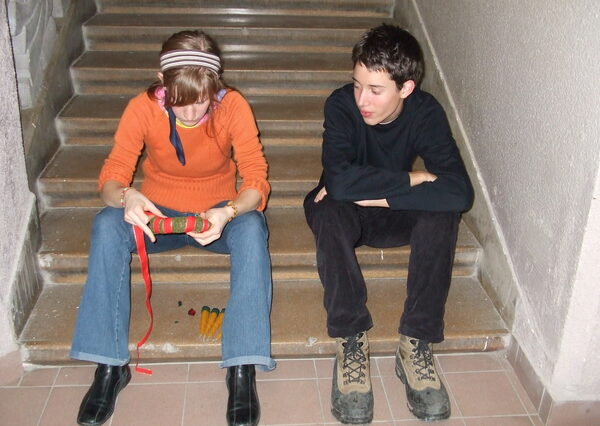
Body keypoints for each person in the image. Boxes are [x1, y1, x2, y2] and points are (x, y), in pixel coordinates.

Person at [70, 30, 273, 426]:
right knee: (106, 225)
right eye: (181, 101)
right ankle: (110, 366)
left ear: (214, 87)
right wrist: (127, 196)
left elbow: (255, 179)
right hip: (157, 215)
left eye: (201, 101)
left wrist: (228, 212)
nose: (191, 113)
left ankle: (242, 366)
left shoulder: (232, 106)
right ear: (162, 82)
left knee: (252, 229)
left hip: (215, 214)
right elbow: (112, 176)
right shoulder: (142, 108)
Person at [304, 24, 473, 423]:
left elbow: (459, 192)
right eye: (357, 84)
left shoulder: (426, 112)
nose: (361, 99)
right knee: (328, 207)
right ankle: (351, 340)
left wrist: (380, 195)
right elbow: (339, 183)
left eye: (375, 90)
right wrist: (412, 179)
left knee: (442, 212)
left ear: (405, 88)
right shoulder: (340, 105)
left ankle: (416, 341)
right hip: (345, 213)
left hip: (391, 212)